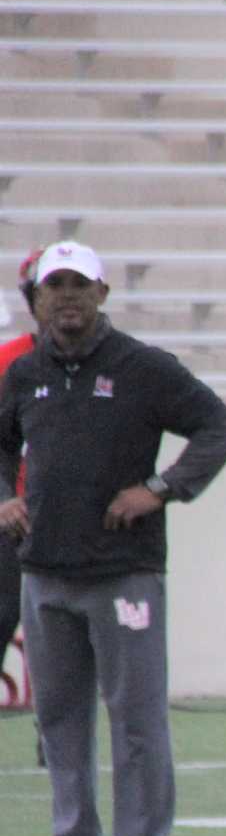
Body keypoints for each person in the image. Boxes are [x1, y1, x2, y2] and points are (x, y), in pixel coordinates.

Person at [0, 240, 226, 836]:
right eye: (57, 286)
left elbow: (217, 428)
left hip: (123, 571)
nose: (69, 297)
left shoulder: (143, 367)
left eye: (81, 285)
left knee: (135, 716)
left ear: (103, 294)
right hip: (44, 572)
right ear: (38, 297)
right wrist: (6, 497)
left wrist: (161, 488)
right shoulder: (23, 374)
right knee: (59, 722)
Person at [0, 247, 40, 696]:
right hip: (13, 513)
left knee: (76, 626)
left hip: (71, 514)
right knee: (4, 610)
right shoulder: (8, 359)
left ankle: (60, 736)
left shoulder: (112, 362)